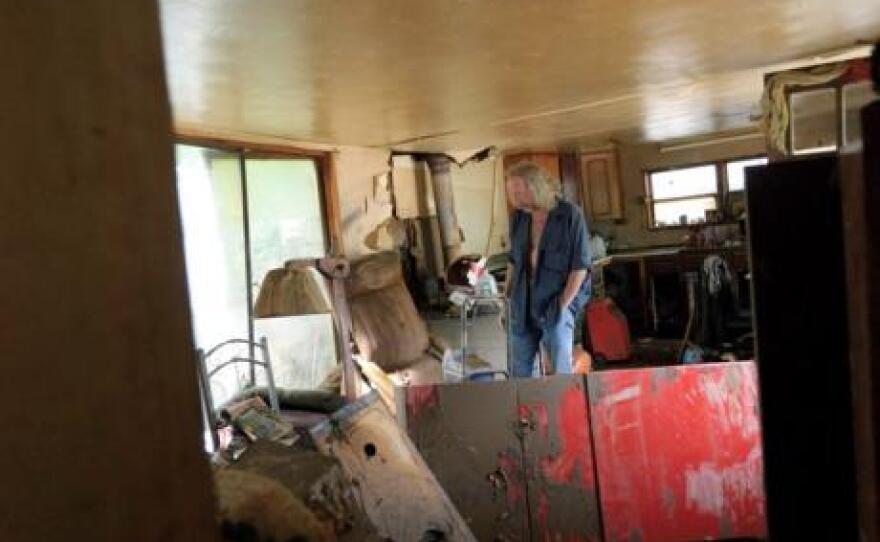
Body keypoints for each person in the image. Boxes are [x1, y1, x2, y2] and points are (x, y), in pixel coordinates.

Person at [502, 161, 591, 377]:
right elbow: (513, 263)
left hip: (556, 303)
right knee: (518, 373)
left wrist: (562, 305)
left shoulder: (570, 215)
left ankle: (564, 409)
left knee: (560, 372)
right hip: (522, 304)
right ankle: (523, 410)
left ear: (536, 187)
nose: (513, 199)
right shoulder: (519, 218)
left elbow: (580, 267)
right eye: (510, 193)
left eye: (517, 192)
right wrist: (505, 302)